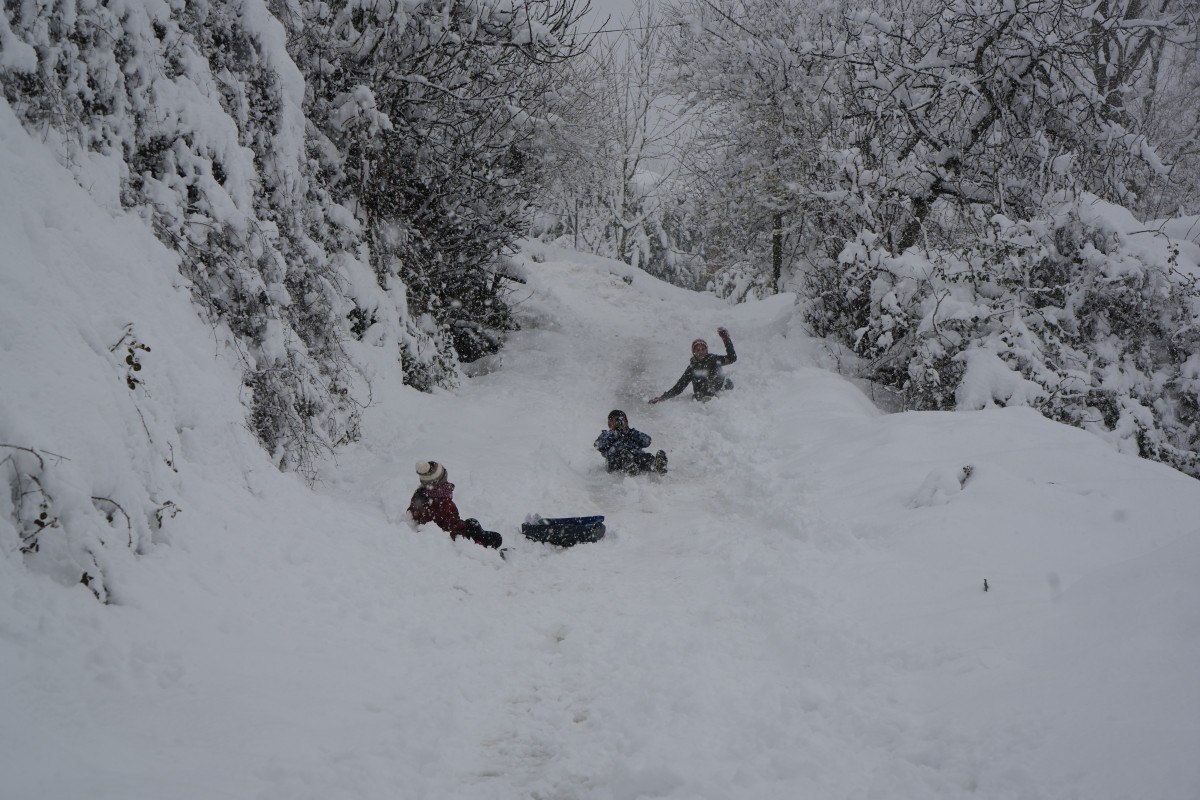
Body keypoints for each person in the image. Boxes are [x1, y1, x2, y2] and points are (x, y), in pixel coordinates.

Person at [407, 461, 503, 549]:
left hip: (454, 525)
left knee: (473, 522)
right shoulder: (440, 501)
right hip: (456, 533)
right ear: (440, 480)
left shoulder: (422, 493)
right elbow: (441, 526)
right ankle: (477, 546)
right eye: (444, 475)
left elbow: (413, 512)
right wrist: (461, 533)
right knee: (496, 538)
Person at [649, 327, 736, 403]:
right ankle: (704, 398)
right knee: (699, 383)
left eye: (703, 349)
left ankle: (722, 394)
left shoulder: (714, 359)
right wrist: (662, 398)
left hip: (717, 387)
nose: (701, 352)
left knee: (727, 381)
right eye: (698, 350)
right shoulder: (692, 368)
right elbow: (679, 387)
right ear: (694, 352)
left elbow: (732, 358)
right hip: (702, 393)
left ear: (707, 350)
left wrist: (726, 338)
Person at [594, 410, 668, 476]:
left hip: (636, 458)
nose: (618, 423)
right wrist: (616, 433)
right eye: (615, 420)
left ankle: (658, 466)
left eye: (621, 420)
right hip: (616, 461)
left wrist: (630, 432)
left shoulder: (631, 433)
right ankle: (630, 467)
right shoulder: (607, 434)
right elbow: (598, 445)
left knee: (648, 457)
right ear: (610, 424)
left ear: (626, 422)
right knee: (624, 455)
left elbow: (647, 441)